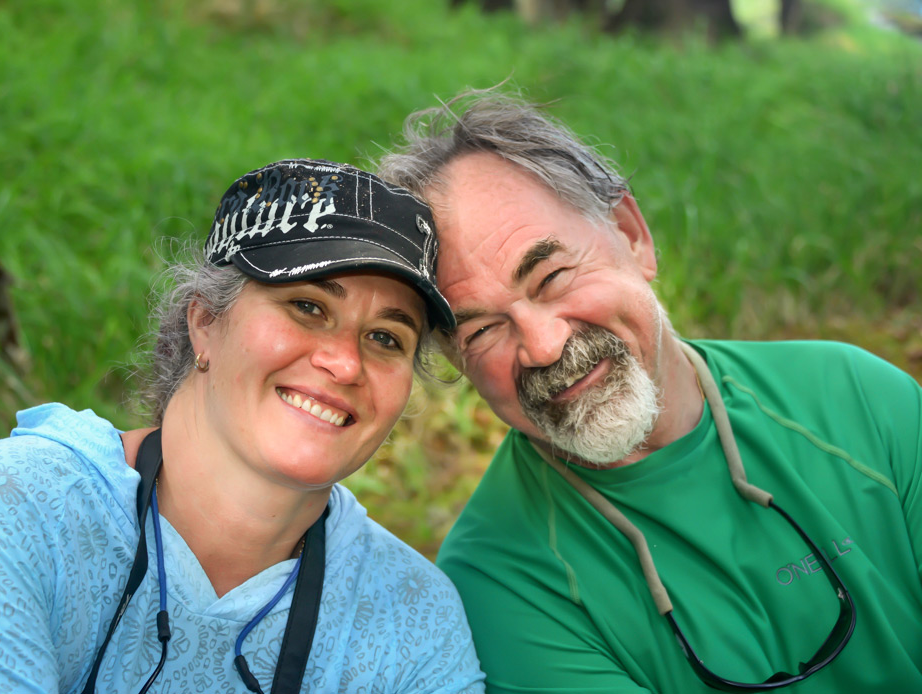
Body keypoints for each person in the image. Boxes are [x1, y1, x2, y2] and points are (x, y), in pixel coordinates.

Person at [376, 91, 922, 693]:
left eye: (552, 277)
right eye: (481, 330)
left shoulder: (858, 400)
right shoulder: (501, 581)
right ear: (456, 358)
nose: (543, 346)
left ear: (632, 236)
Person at [0, 159, 486, 693]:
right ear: (204, 323)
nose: (345, 361)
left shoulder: (414, 622)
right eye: (308, 307)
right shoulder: (13, 513)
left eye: (386, 338)